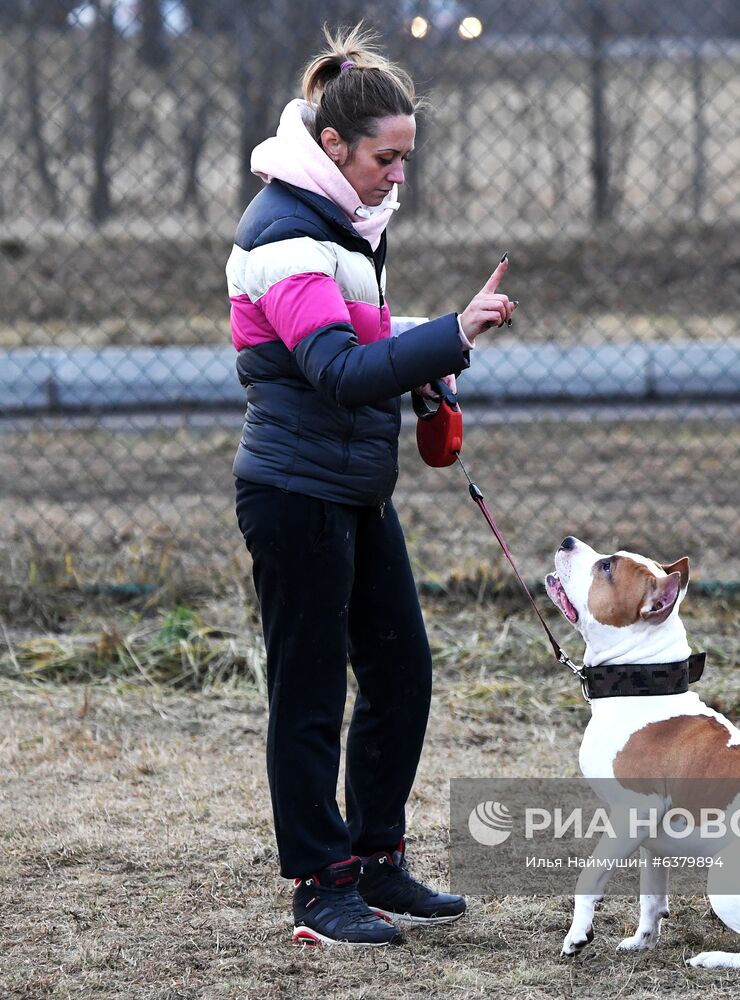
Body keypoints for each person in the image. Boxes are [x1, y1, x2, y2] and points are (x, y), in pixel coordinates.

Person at [227, 23, 515, 947]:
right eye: (386, 158)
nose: (400, 176)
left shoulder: (345, 227)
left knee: (400, 673)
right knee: (308, 695)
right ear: (333, 146)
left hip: (354, 486)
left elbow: (366, 357)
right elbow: (340, 373)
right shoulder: (283, 235)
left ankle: (377, 861)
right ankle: (320, 884)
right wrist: (453, 333)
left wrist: (424, 368)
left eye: (406, 158)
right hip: (295, 493)